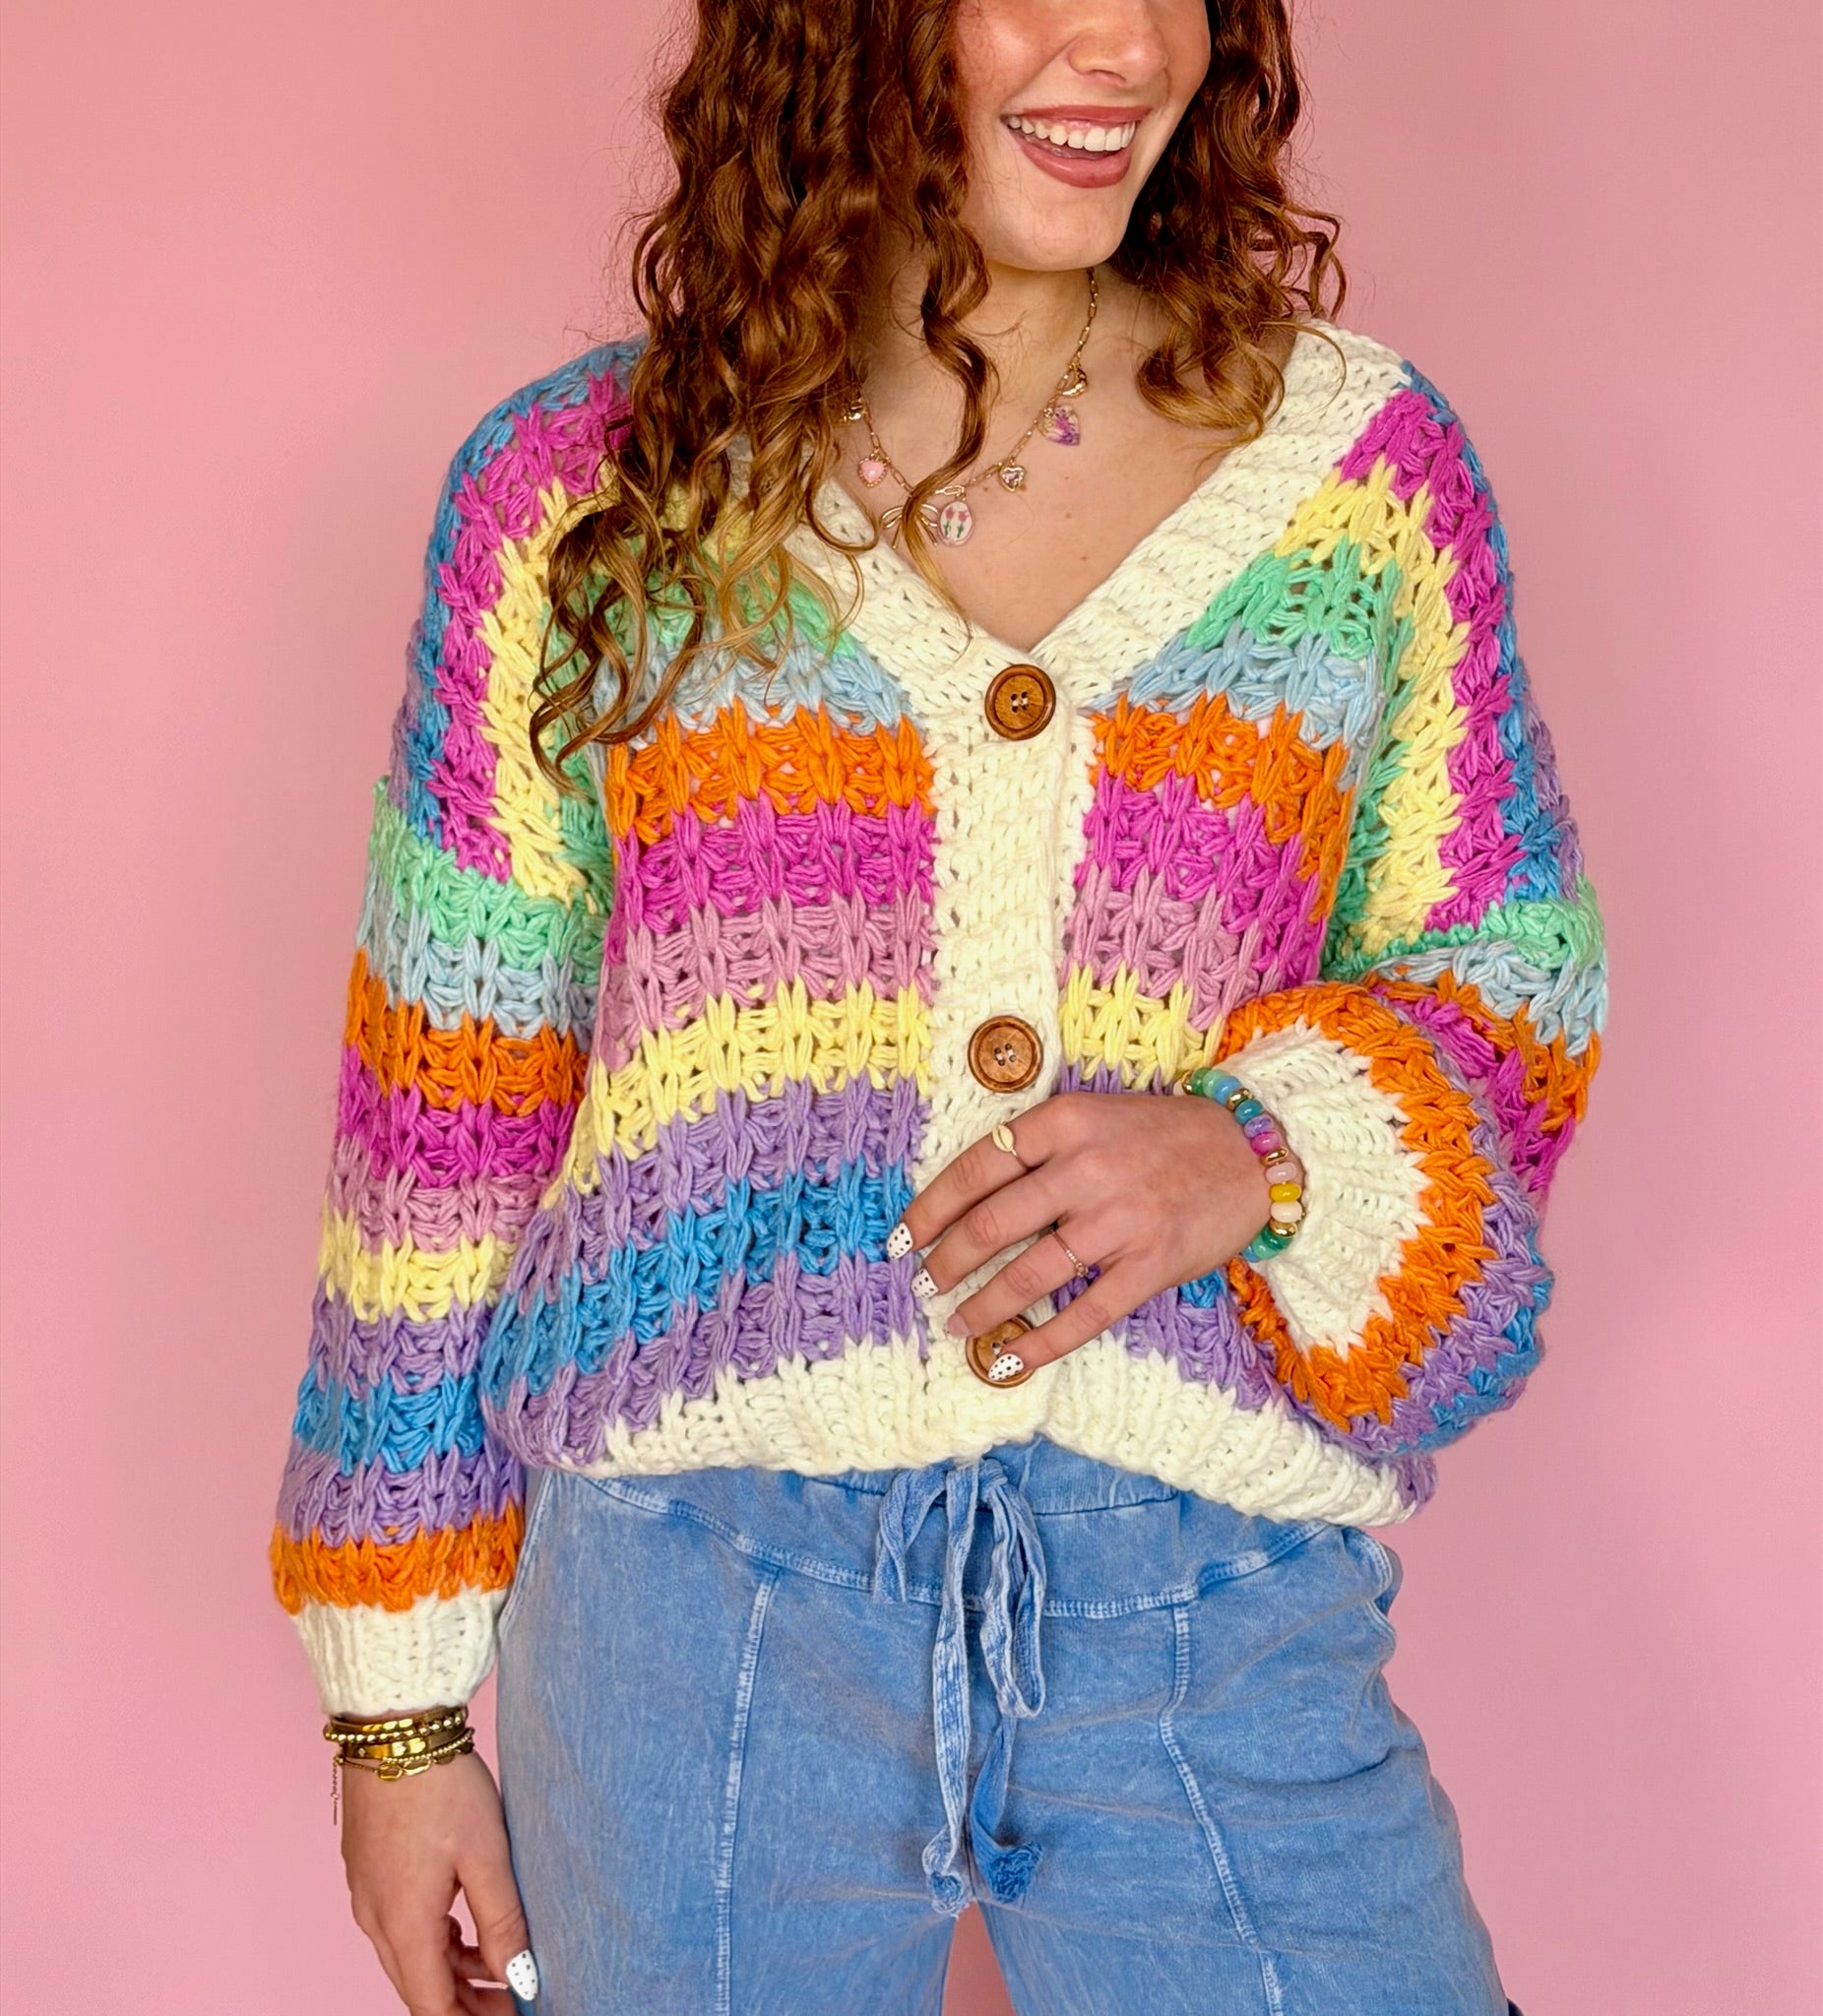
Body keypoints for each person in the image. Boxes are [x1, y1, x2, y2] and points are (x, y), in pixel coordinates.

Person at [269, 1, 1603, 2010]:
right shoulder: (588, 496)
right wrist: (395, 1716)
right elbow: (444, 1123)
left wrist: (1260, 1151)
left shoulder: (1358, 479)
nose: (1122, 45)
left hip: (1204, 1606)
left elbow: (1511, 983)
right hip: (693, 1629)